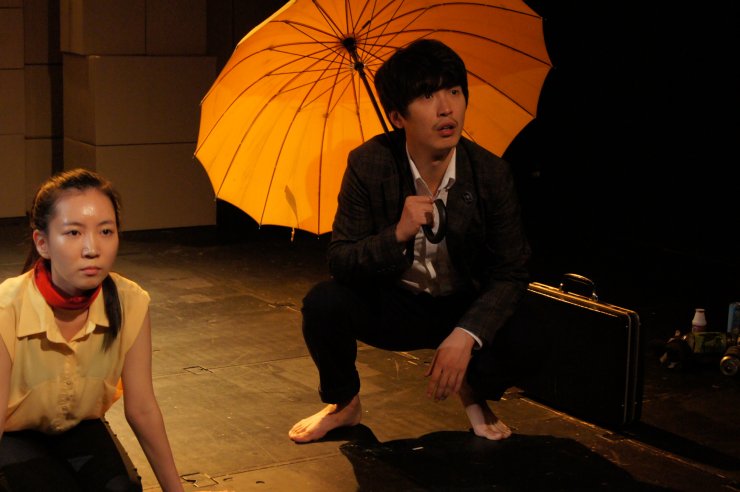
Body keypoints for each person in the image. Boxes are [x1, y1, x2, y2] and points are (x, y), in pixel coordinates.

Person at [288, 39, 531, 443]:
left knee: (530, 330)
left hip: (461, 304)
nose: (446, 108)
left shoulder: (490, 173)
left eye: (454, 91)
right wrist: (397, 234)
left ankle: (474, 389)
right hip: (397, 305)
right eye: (427, 96)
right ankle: (344, 404)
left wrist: (466, 334)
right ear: (397, 117)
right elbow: (341, 260)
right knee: (323, 303)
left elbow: (511, 271)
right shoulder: (369, 163)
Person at [0, 169, 184, 491]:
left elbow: (142, 408)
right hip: (12, 433)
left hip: (79, 427)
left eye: (105, 231)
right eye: (73, 233)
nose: (92, 248)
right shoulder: (7, 308)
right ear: (42, 243)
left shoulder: (130, 302)